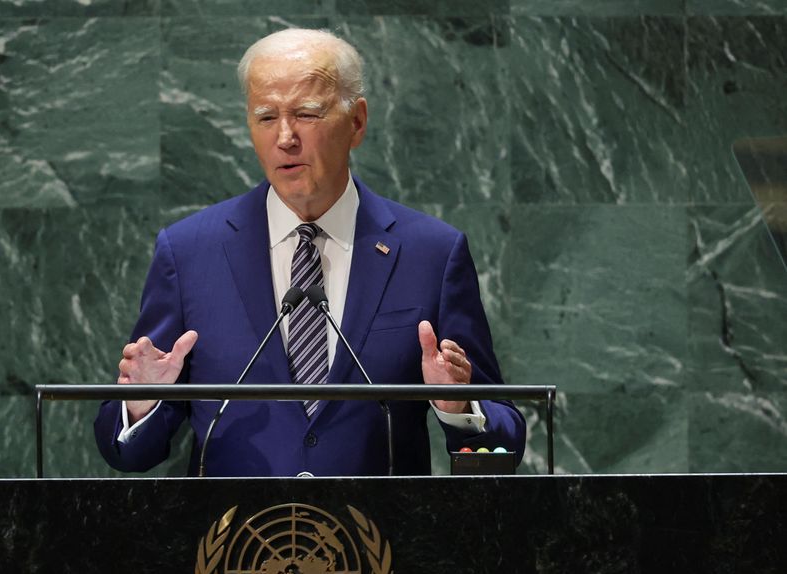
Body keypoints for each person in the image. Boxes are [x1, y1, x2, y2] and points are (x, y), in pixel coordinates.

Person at [94, 28, 525, 476]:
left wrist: (458, 404)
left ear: (356, 122)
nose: (285, 137)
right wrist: (142, 404)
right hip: (235, 540)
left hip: (381, 539)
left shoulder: (431, 254)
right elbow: (124, 453)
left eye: (306, 114)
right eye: (265, 117)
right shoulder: (188, 253)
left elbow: (504, 443)